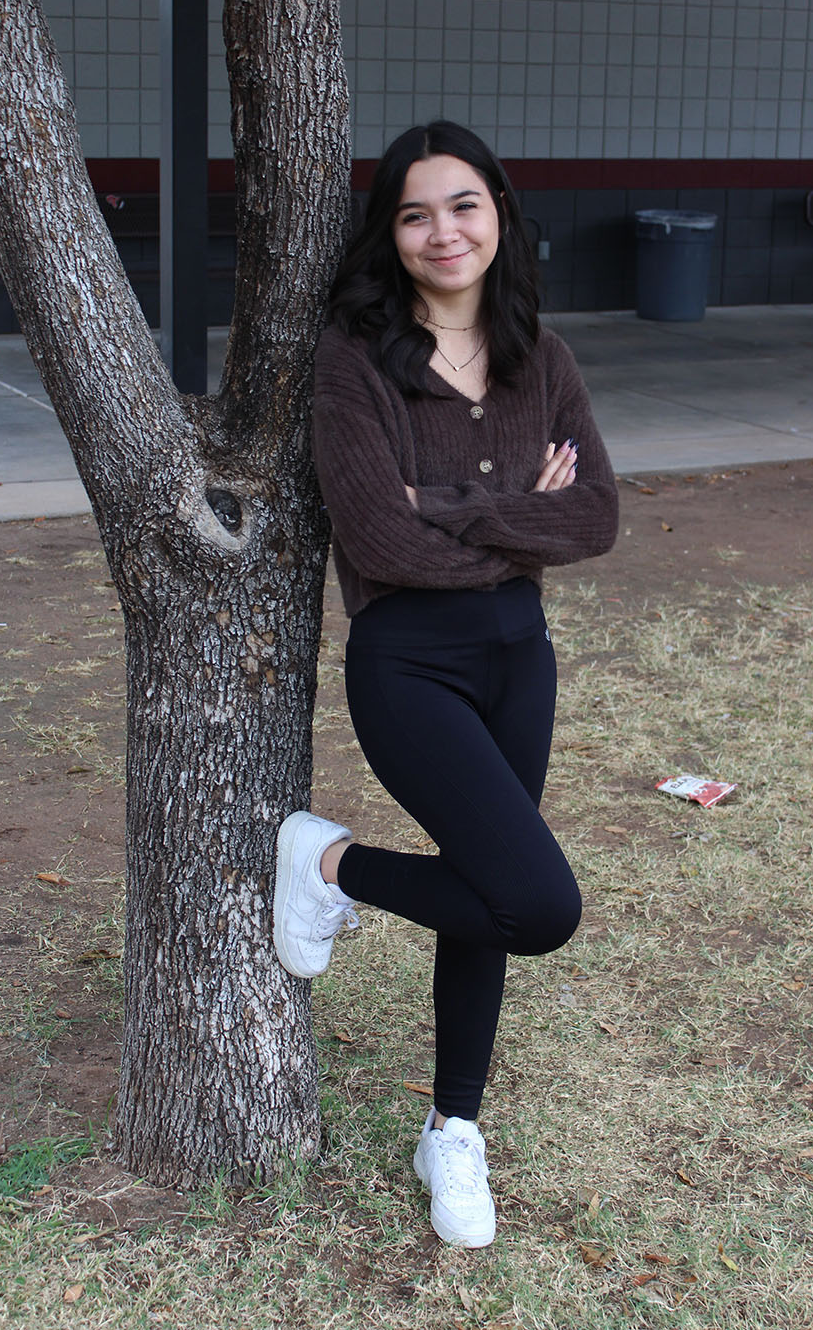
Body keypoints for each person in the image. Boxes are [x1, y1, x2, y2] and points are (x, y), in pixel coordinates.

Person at [272, 120, 618, 1249]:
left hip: (520, 656)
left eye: (463, 205)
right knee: (536, 904)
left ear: (500, 214)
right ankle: (326, 861)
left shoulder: (541, 356)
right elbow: (377, 538)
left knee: (488, 896)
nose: (443, 231)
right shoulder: (353, 358)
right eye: (416, 212)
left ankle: (452, 1127)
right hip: (409, 661)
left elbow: (596, 517)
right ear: (392, 231)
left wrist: (456, 509)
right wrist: (521, 514)